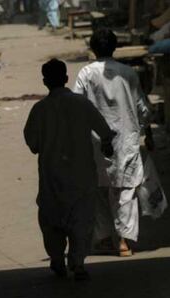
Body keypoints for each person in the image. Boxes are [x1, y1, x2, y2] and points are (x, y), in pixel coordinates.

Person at [24, 59, 114, 280]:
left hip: (51, 178)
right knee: (82, 221)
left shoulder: (39, 110)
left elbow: (33, 144)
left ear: (45, 81)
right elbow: (105, 131)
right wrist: (106, 146)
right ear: (66, 79)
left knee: (52, 222)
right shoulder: (81, 104)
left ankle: (57, 259)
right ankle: (78, 263)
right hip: (82, 175)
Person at [74, 28, 154, 257]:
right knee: (125, 191)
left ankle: (104, 237)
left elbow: (77, 106)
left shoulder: (86, 74)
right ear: (115, 47)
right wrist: (147, 133)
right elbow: (142, 108)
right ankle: (123, 242)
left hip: (95, 141)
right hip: (126, 140)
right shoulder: (128, 73)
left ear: (92, 48)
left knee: (99, 190)